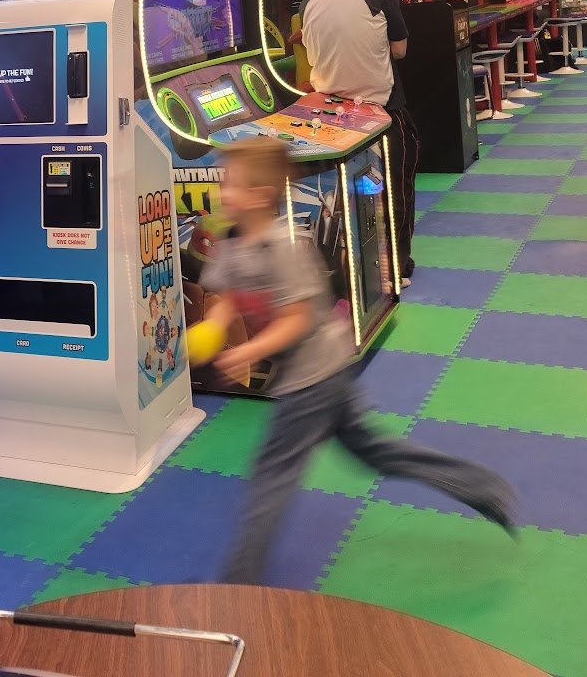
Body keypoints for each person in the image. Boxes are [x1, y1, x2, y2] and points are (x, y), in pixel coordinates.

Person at [201, 136, 516, 585]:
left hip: (314, 377)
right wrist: (215, 326)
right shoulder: (233, 243)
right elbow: (227, 296)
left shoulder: (284, 248)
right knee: (375, 452)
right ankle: (483, 488)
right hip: (324, 371)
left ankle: (237, 584)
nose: (222, 192)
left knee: (272, 475)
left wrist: (247, 351)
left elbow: (295, 320)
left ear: (260, 195)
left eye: (231, 184)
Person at [301, 0, 417, 285]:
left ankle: (354, 270)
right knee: (396, 186)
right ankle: (397, 266)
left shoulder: (308, 1)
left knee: (345, 196)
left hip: (329, 116)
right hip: (381, 112)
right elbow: (400, 50)